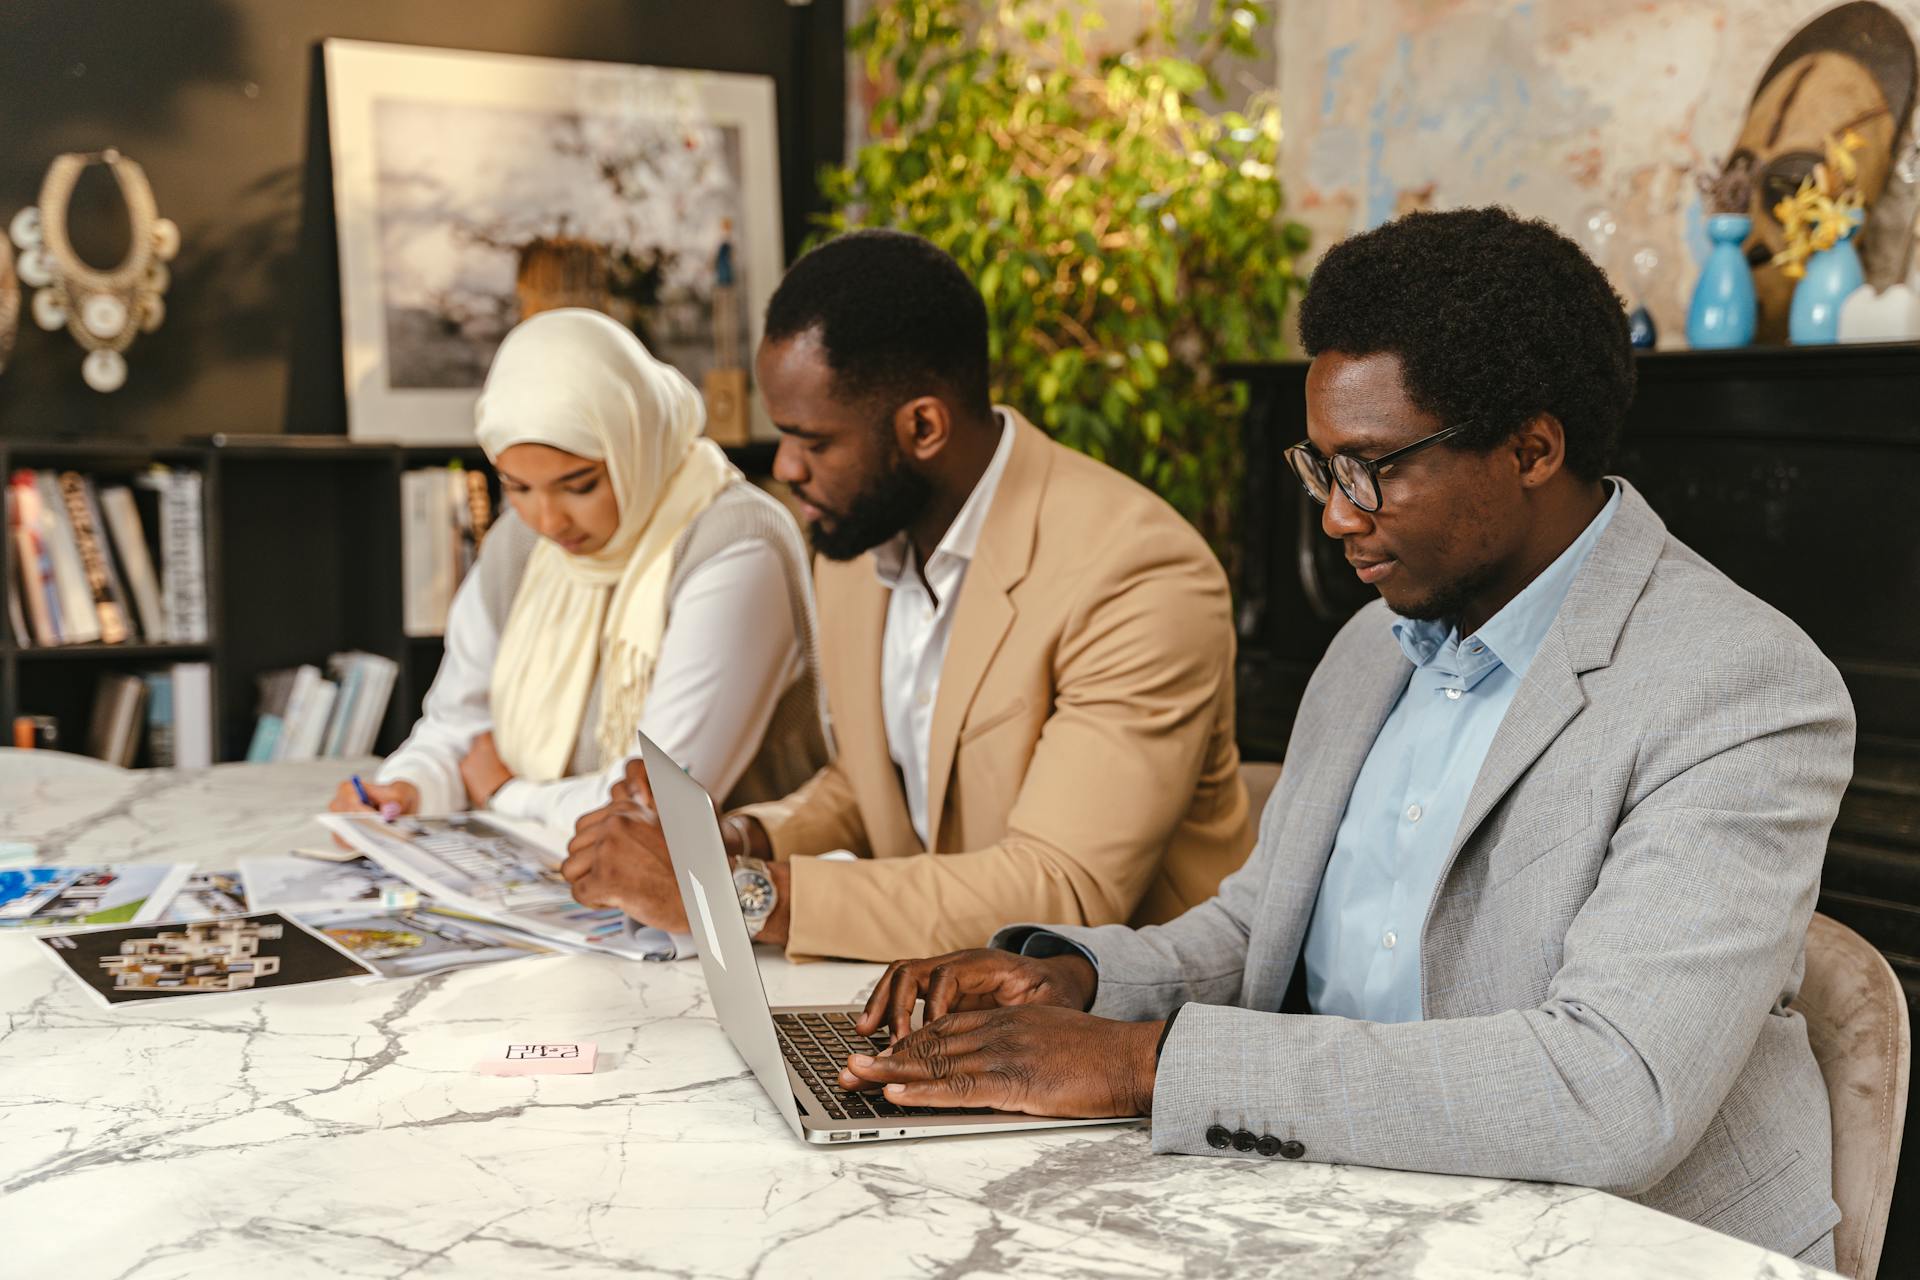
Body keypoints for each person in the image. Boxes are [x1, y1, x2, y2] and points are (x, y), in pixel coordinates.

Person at [836, 208, 1853, 1268]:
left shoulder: (1740, 685)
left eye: (1372, 467)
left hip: (1623, 1244)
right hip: (1360, 1204)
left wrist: (1145, 1062)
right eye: (1320, 467)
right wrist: (1081, 981)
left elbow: (1610, 1087)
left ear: (1533, 447)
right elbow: (1264, 927)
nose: (1335, 516)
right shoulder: (1374, 646)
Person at [562, 230, 1253, 962]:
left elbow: (1064, 891)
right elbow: (875, 782)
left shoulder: (1138, 574)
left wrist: (733, 892)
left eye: (813, 441)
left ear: (922, 426)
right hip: (942, 1000)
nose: (786, 467)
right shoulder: (859, 539)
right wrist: (734, 835)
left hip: (1120, 1030)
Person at [330, 308, 828, 833]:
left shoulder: (737, 543)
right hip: (559, 879)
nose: (547, 520)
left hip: (733, 897)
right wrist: (405, 789)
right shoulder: (521, 544)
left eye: (580, 484)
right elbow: (458, 726)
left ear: (633, 443)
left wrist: (505, 794)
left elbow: (657, 803)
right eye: (517, 487)